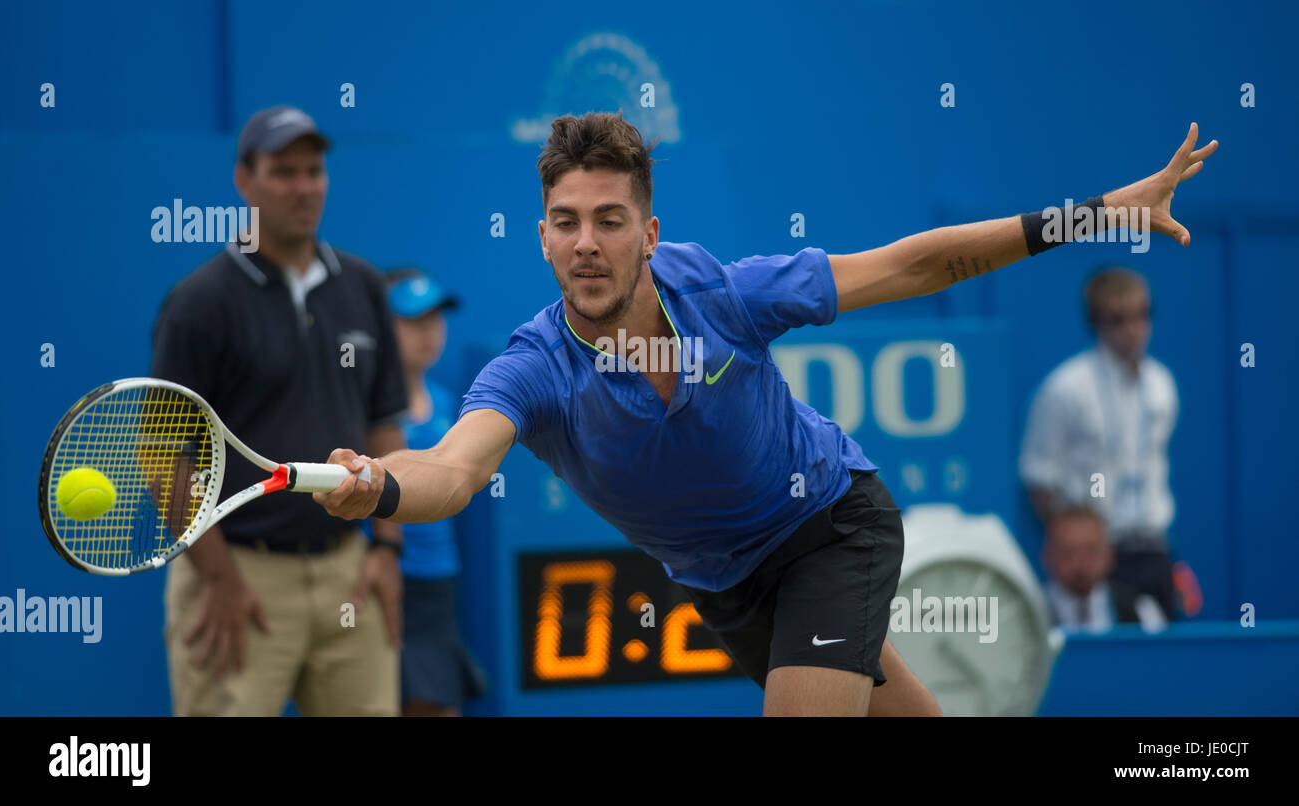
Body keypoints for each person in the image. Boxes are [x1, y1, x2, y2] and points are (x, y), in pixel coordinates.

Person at [315, 112, 1216, 716]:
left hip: (831, 527)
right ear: (543, 236)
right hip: (728, 590)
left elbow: (915, 266)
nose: (587, 241)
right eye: (565, 221)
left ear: (651, 233)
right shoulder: (535, 367)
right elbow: (456, 469)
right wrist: (382, 485)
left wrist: (1096, 214)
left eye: (611, 219)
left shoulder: (723, 293)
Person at [152, 105, 408, 716]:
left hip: (350, 571)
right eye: (283, 172)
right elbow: (165, 459)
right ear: (245, 181)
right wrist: (217, 577)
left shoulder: (364, 286)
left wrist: (387, 551)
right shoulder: (199, 302)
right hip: (237, 576)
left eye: (314, 171)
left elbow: (385, 426)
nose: (303, 187)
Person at [1020, 267, 1180, 620]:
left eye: (1141, 314)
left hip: (1154, 547)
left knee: (1166, 660)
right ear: (1096, 323)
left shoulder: (1162, 384)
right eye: (1118, 319)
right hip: (1096, 559)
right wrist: (1077, 551)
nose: (1132, 329)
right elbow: (1039, 479)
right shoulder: (1064, 388)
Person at [384, 268, 486, 716]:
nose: (429, 333)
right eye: (412, 320)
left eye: (435, 319)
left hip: (439, 583)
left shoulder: (448, 403)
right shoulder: (363, 412)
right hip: (386, 584)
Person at [1042, 506, 1167, 632]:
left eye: (1091, 551)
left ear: (1109, 555)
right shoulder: (1031, 614)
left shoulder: (1142, 611)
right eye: (1067, 552)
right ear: (1048, 556)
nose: (1079, 563)